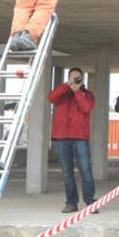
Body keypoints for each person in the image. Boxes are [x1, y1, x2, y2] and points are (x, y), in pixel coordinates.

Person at [48, 67, 96, 213]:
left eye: (78, 78)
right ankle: (71, 202)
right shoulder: (62, 92)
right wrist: (66, 86)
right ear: (68, 78)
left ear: (82, 80)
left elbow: (86, 108)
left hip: (80, 137)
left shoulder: (87, 94)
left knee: (85, 170)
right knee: (66, 172)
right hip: (62, 137)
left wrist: (77, 92)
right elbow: (51, 98)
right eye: (72, 77)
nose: (75, 80)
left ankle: (90, 202)